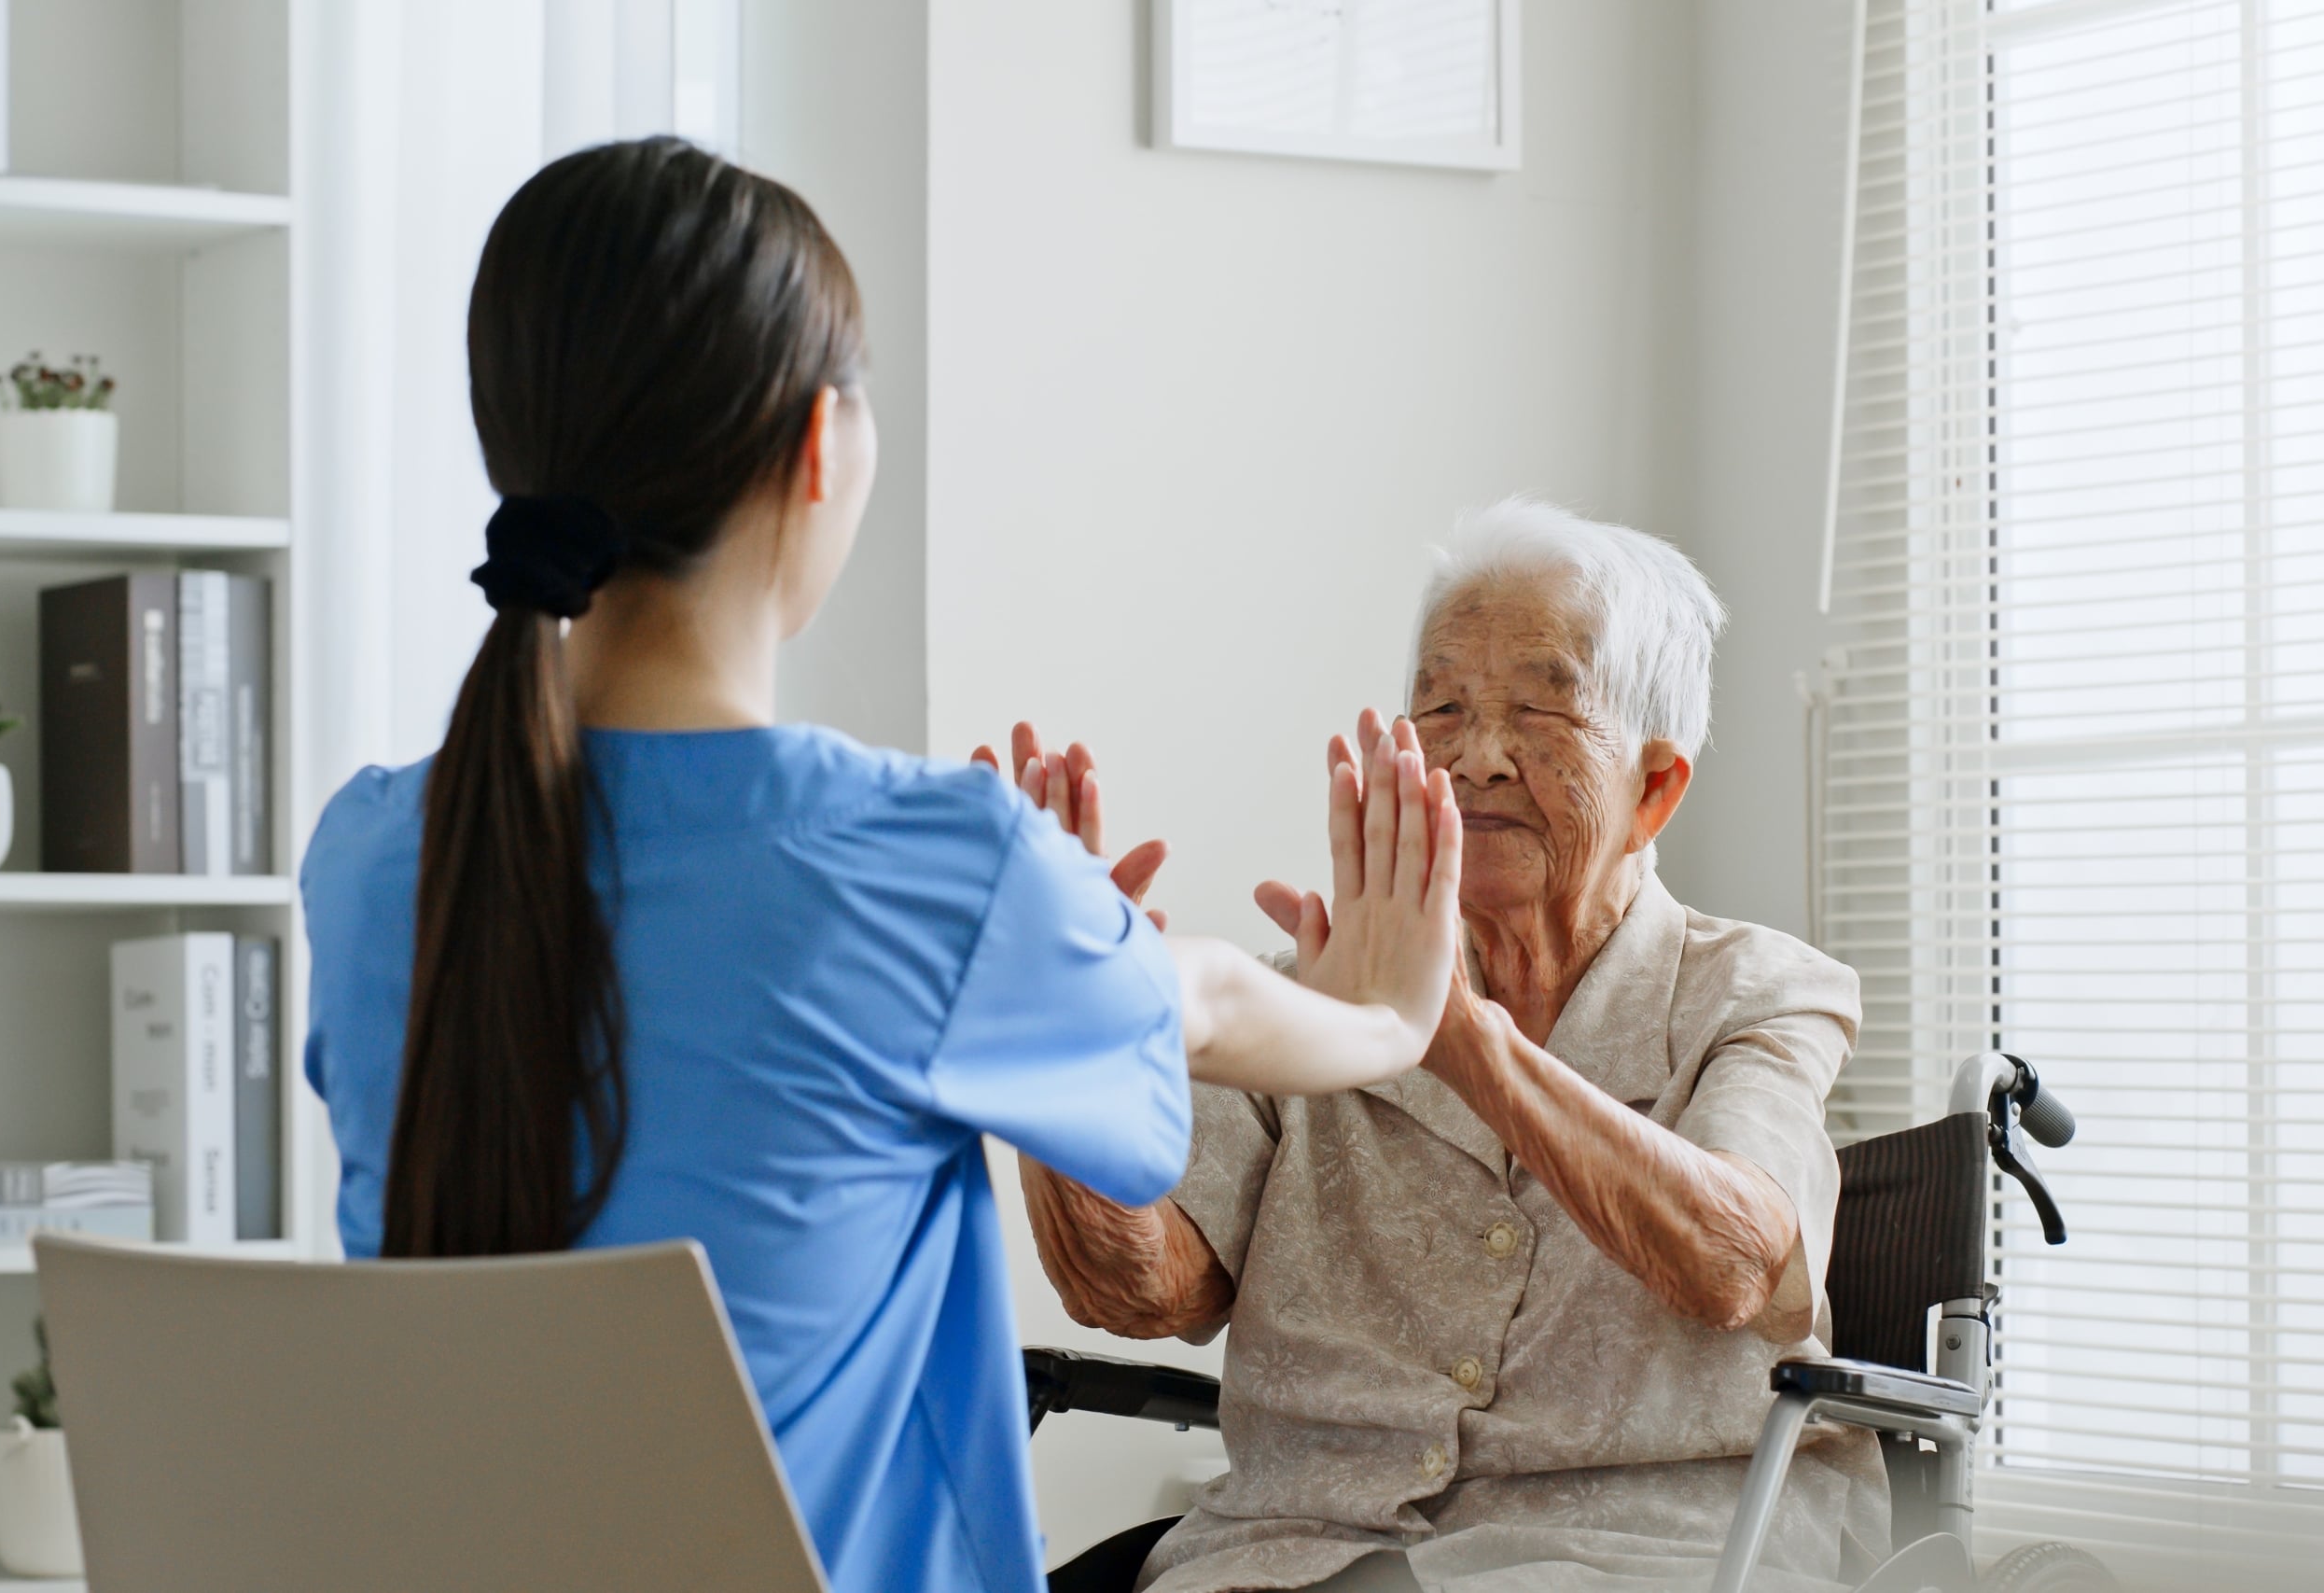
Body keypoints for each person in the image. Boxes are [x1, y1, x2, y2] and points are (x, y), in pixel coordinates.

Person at [299, 138, 1466, 1593]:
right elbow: (1215, 1001)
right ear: (817, 445)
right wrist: (1388, 1015)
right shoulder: (927, 867)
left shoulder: (365, 856)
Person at [1021, 499, 1886, 1593]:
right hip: (1290, 1554)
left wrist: (1455, 1039)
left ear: (1654, 788)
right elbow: (1147, 1291)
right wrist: (1049, 1068)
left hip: (1642, 1554)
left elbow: (1732, 1261)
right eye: (1439, 708)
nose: (1477, 757)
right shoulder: (1313, 999)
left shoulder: (1756, 992)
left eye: (1540, 711)